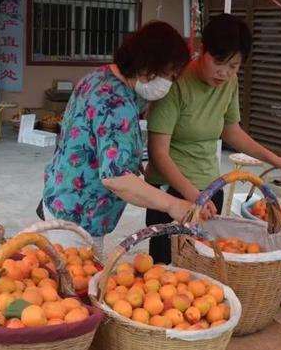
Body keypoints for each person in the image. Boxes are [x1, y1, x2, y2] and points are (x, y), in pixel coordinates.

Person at [144, 14, 281, 264]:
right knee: (166, 271)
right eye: (219, 62)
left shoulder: (229, 83)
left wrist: (277, 160)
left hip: (210, 188)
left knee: (204, 270)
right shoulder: (177, 82)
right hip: (172, 193)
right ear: (202, 50)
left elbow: (232, 131)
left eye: (234, 66)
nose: (224, 73)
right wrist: (192, 195)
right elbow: (158, 153)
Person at [39, 21, 194, 255]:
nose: (168, 84)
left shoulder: (99, 76)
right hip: (76, 219)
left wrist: (131, 159)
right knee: (75, 287)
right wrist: (173, 204)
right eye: (168, 75)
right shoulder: (115, 103)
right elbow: (116, 179)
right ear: (147, 66)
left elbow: (95, 141)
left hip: (63, 197)